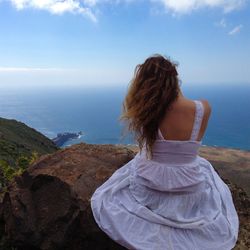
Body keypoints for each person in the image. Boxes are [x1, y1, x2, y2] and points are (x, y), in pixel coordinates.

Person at [91, 54, 239, 250]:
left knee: (109, 195)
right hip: (190, 183)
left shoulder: (146, 111)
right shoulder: (203, 108)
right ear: (176, 77)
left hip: (151, 185)